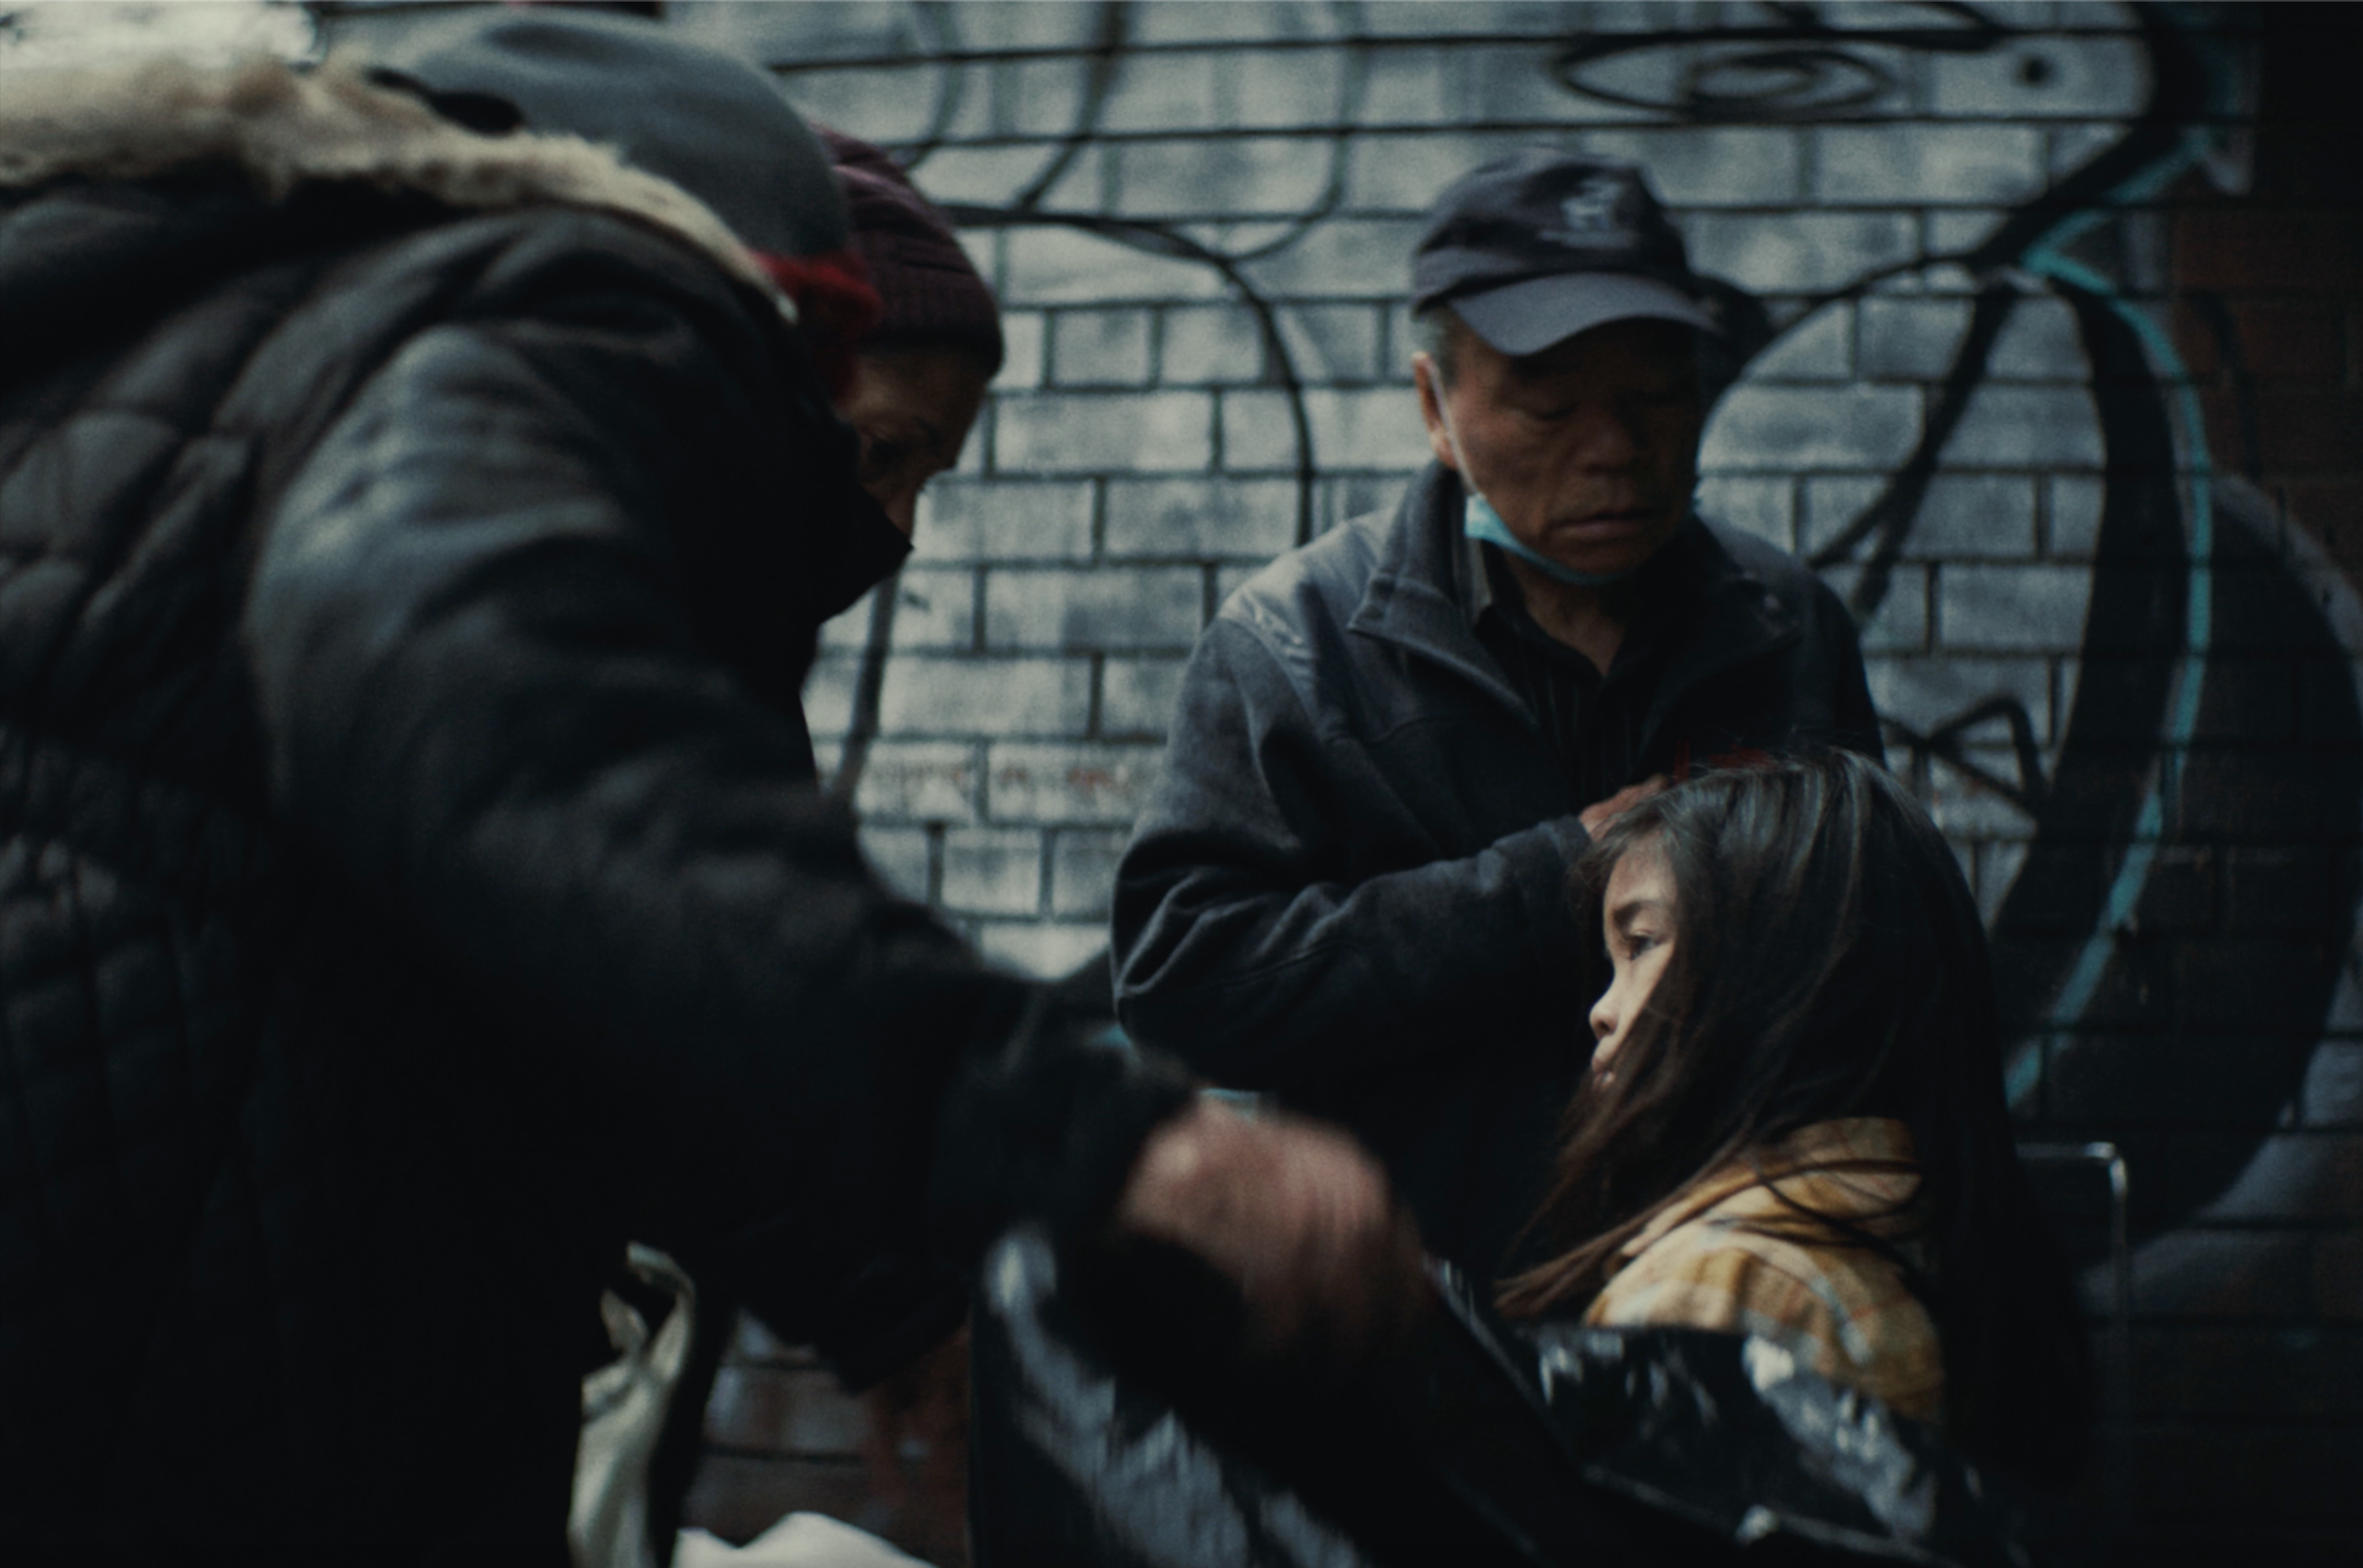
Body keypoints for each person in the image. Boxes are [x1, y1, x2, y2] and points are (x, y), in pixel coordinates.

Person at [0, 14, 1422, 1564]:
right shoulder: (591, 293)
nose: (883, 530)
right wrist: (1099, 1141)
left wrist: (887, 1295)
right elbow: (508, 733)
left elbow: (598, 965)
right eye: (865, 448)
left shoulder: (190, 362)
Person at [1113, 150, 1884, 1279]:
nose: (1614, 449)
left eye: (1655, 393)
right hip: (1418, 1314)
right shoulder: (1296, 645)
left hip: (1723, 1291)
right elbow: (1184, 984)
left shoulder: (1787, 626)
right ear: (1436, 405)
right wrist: (1557, 883)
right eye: (1548, 402)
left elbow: (1878, 960)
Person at [1502, 752, 2094, 1482]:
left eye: (1641, 943)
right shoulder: (1925, 1232)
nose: (1602, 1010)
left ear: (1772, 973)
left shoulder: (1711, 1293)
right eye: (1610, 961)